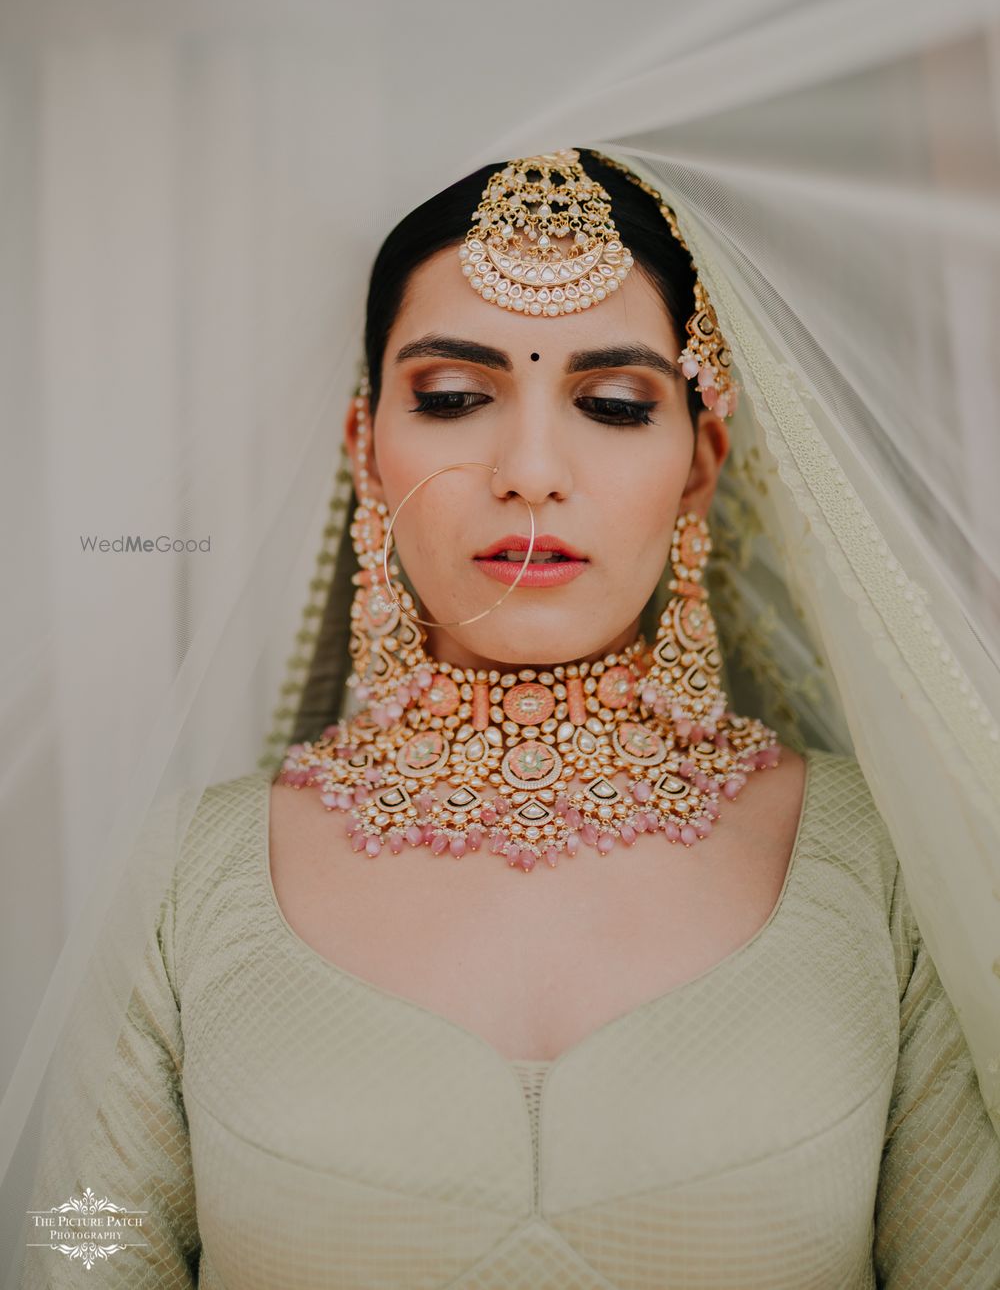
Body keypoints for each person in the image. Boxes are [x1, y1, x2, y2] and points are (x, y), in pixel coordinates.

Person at [17, 149, 1000, 1287]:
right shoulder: (189, 878)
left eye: (614, 404)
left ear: (699, 464)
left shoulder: (876, 865)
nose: (530, 470)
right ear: (367, 452)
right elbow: (76, 1253)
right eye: (450, 398)